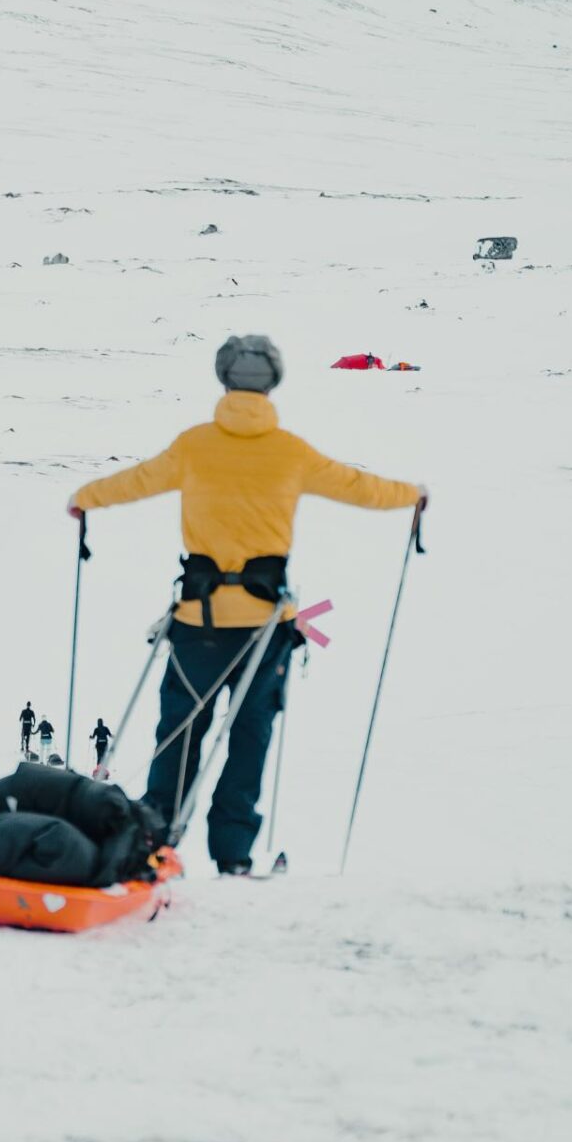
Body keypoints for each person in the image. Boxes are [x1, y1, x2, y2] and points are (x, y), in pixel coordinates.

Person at [69, 334, 424, 876]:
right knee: (249, 739)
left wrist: (84, 498)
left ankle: (152, 842)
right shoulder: (292, 452)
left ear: (224, 379)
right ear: (273, 382)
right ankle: (232, 856)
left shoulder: (193, 446)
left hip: (197, 623)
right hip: (265, 627)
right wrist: (411, 495)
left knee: (181, 734)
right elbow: (358, 486)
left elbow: (135, 481)